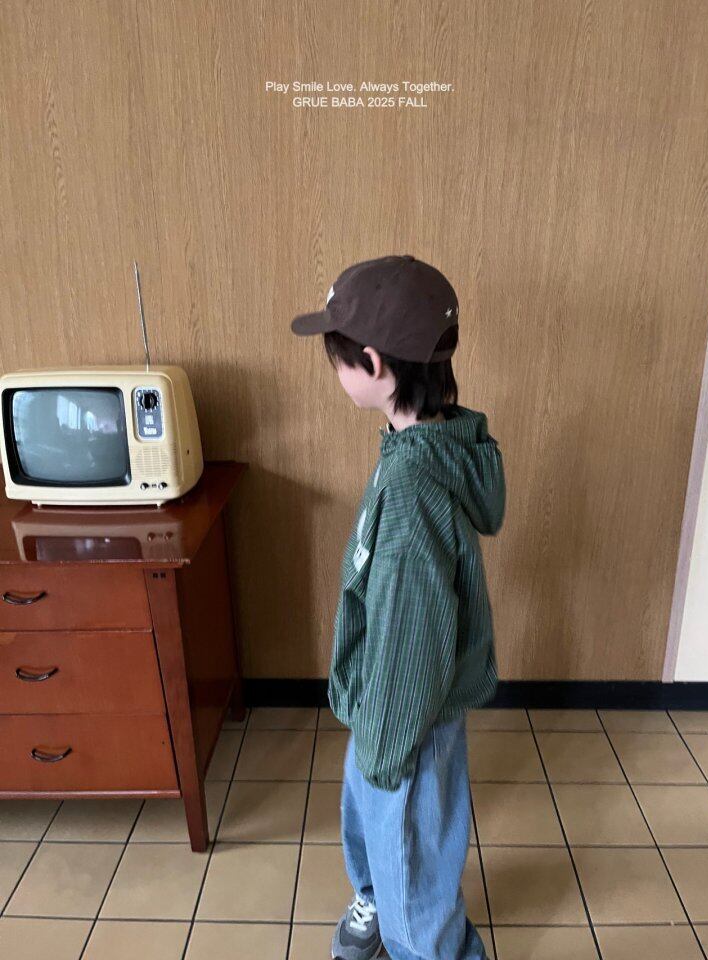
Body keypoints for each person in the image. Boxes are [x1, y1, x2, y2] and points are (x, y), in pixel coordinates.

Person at [291, 254, 505, 960]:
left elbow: (413, 643)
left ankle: (419, 938)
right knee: (373, 825)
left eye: (338, 357)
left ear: (376, 365)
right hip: (386, 704)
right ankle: (377, 898)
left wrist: (384, 749)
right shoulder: (423, 442)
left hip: (403, 715)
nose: (336, 370)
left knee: (415, 880)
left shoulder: (412, 491)